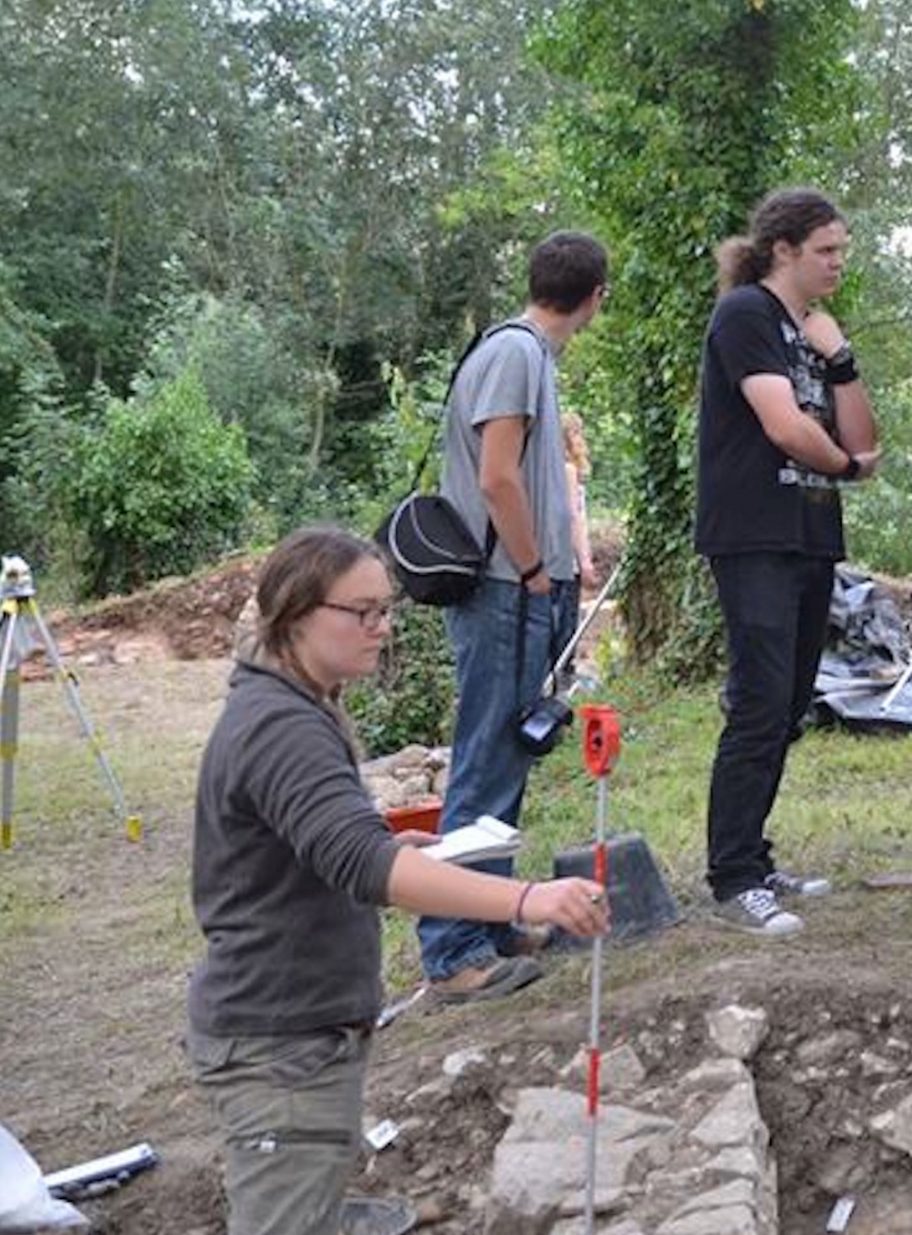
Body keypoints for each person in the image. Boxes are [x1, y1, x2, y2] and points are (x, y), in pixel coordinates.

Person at [189, 527, 607, 1235]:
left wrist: (380, 839)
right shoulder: (281, 725)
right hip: (279, 1043)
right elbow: (367, 868)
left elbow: (323, 847)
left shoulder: (298, 702)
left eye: (387, 610)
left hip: (296, 1029)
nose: (381, 628)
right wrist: (527, 897)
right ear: (295, 613)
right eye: (362, 612)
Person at [417, 230, 607, 1004]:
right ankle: (453, 947)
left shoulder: (532, 356)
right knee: (483, 766)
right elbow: (498, 477)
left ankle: (490, 924)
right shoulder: (516, 353)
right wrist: (533, 569)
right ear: (595, 296)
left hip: (524, 587)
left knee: (508, 760)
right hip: (504, 587)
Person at [695, 187, 880, 936]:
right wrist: (843, 466)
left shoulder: (805, 329)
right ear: (784, 251)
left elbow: (863, 438)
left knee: (790, 701)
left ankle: (756, 856)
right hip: (753, 533)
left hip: (809, 536)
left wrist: (840, 357)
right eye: (826, 249)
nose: (839, 261)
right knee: (759, 699)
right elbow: (783, 425)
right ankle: (733, 876)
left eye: (841, 248)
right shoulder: (745, 314)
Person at [561, 410, 599, 589]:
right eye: (575, 432)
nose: (580, 438)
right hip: (569, 564)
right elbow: (574, 516)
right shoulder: (568, 470)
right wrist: (585, 562)